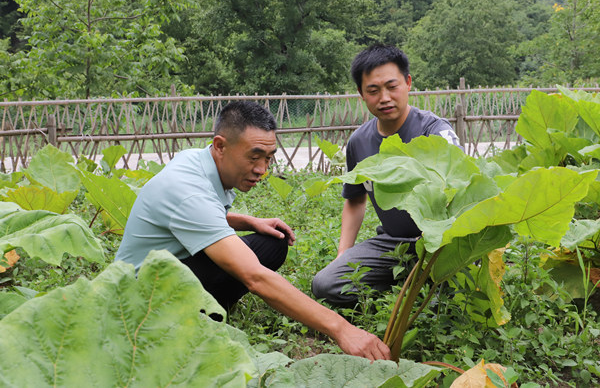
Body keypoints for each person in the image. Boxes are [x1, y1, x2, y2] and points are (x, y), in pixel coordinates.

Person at [115, 100, 390, 361]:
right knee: (251, 265)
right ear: (220, 146)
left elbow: (197, 215)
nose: (262, 169)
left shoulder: (197, 159)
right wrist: (342, 329)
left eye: (269, 158)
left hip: (167, 270)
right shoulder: (187, 189)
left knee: (272, 243)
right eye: (254, 157)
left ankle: (204, 310)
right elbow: (255, 278)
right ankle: (185, 323)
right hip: (140, 302)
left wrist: (248, 221)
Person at [311, 44, 461, 306]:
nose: (385, 98)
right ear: (361, 93)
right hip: (393, 244)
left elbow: (462, 191)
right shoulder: (359, 141)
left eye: (392, 87)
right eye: (373, 90)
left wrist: (437, 240)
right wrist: (343, 252)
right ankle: (405, 285)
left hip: (441, 246)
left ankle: (417, 287)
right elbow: (355, 200)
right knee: (326, 284)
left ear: (408, 83)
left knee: (447, 304)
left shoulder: (435, 132)